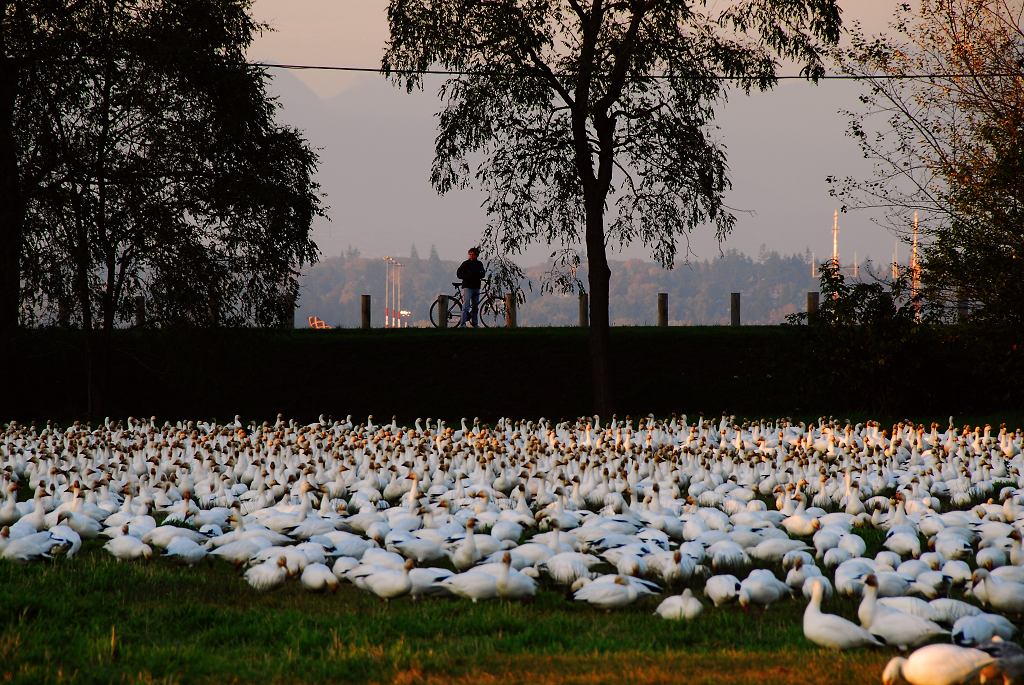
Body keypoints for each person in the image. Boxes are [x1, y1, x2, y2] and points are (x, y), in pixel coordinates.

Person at [456, 247, 486, 327]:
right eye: (470, 254)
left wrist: (479, 275)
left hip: (476, 286)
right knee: (466, 305)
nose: (471, 256)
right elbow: (459, 273)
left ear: (476, 255)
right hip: (468, 286)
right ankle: (462, 324)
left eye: (473, 255)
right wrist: (467, 276)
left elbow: (483, 273)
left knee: (475, 306)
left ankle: (475, 324)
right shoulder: (465, 263)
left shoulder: (479, 264)